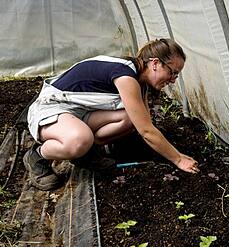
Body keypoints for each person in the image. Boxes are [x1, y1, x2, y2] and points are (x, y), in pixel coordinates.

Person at [24, 38, 199, 191]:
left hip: (80, 112)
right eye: (172, 72)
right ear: (155, 63)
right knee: (79, 140)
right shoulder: (126, 76)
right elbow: (147, 132)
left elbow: (144, 124)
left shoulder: (139, 79)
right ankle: (37, 156)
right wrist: (178, 159)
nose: (173, 79)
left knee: (131, 117)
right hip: (51, 108)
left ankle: (86, 154)